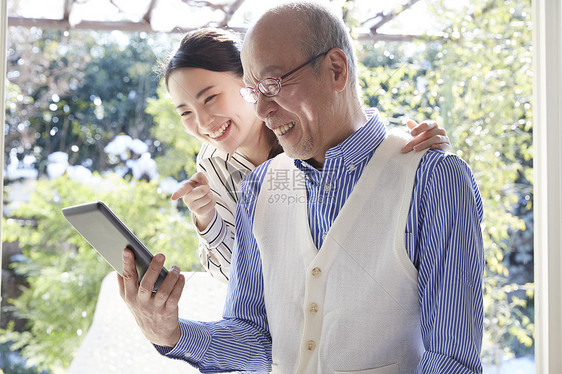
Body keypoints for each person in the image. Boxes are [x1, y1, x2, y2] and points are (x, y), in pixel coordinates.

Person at [118, 2, 484, 373]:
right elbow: (256, 337)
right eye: (252, 92)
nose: (262, 110)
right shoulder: (258, 188)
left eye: (273, 85)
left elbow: (451, 360)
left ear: (336, 70)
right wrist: (172, 334)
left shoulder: (435, 179)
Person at [162, 28, 451, 283]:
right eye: (185, 112)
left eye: (210, 98)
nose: (202, 123)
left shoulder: (305, 128)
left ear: (249, 82)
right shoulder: (212, 164)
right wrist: (207, 219)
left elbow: (371, 160)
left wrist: (422, 156)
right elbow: (236, 281)